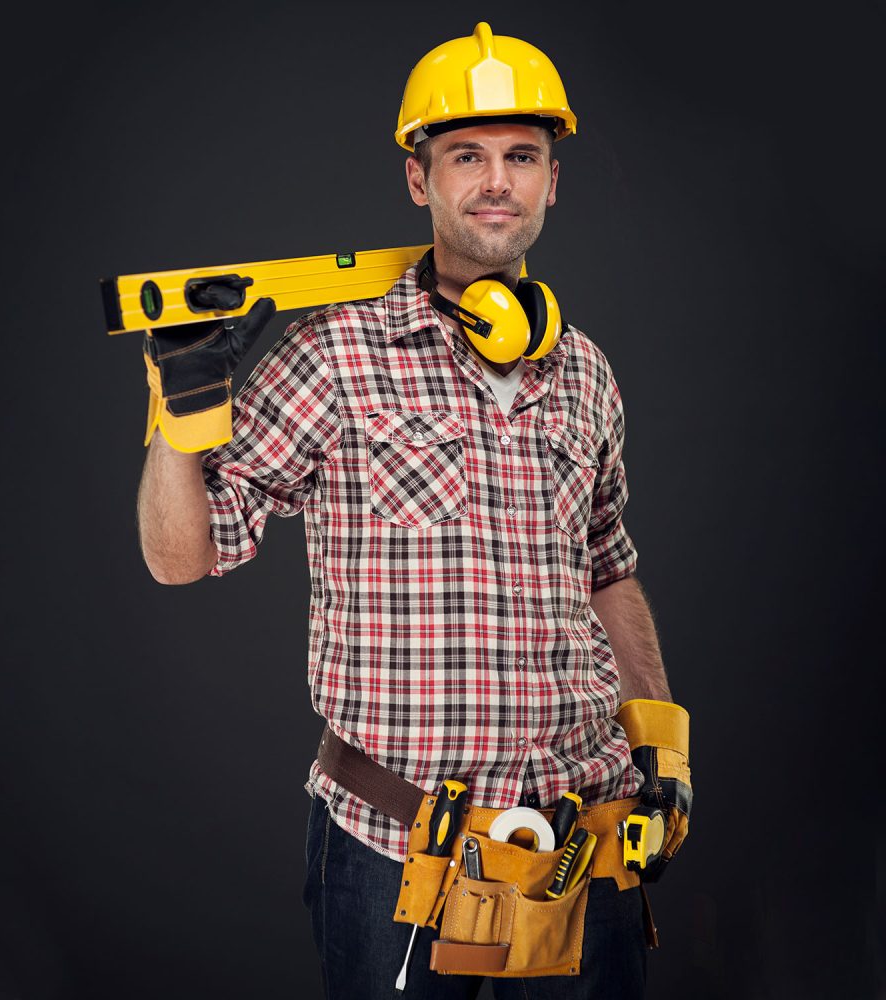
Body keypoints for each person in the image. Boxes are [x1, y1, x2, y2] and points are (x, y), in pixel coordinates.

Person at [136, 22, 691, 1000]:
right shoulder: (335, 357)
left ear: (552, 181)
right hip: (395, 852)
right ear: (416, 180)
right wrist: (180, 422)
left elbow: (609, 568)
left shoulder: (588, 374)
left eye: (521, 157)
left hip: (582, 838)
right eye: (465, 155)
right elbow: (183, 555)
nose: (495, 181)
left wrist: (661, 748)